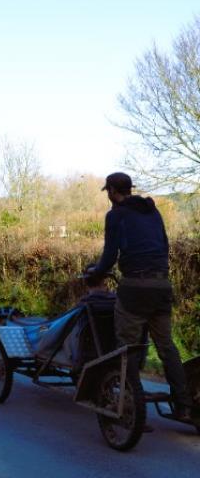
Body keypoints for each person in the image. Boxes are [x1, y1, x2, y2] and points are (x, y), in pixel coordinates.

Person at [90, 172, 192, 421]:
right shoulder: (152, 212)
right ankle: (184, 406)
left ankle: (131, 408)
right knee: (167, 347)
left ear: (113, 190)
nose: (109, 196)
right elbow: (164, 246)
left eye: (109, 191)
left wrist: (96, 273)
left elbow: (110, 254)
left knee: (126, 348)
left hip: (134, 287)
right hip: (161, 285)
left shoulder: (115, 215)